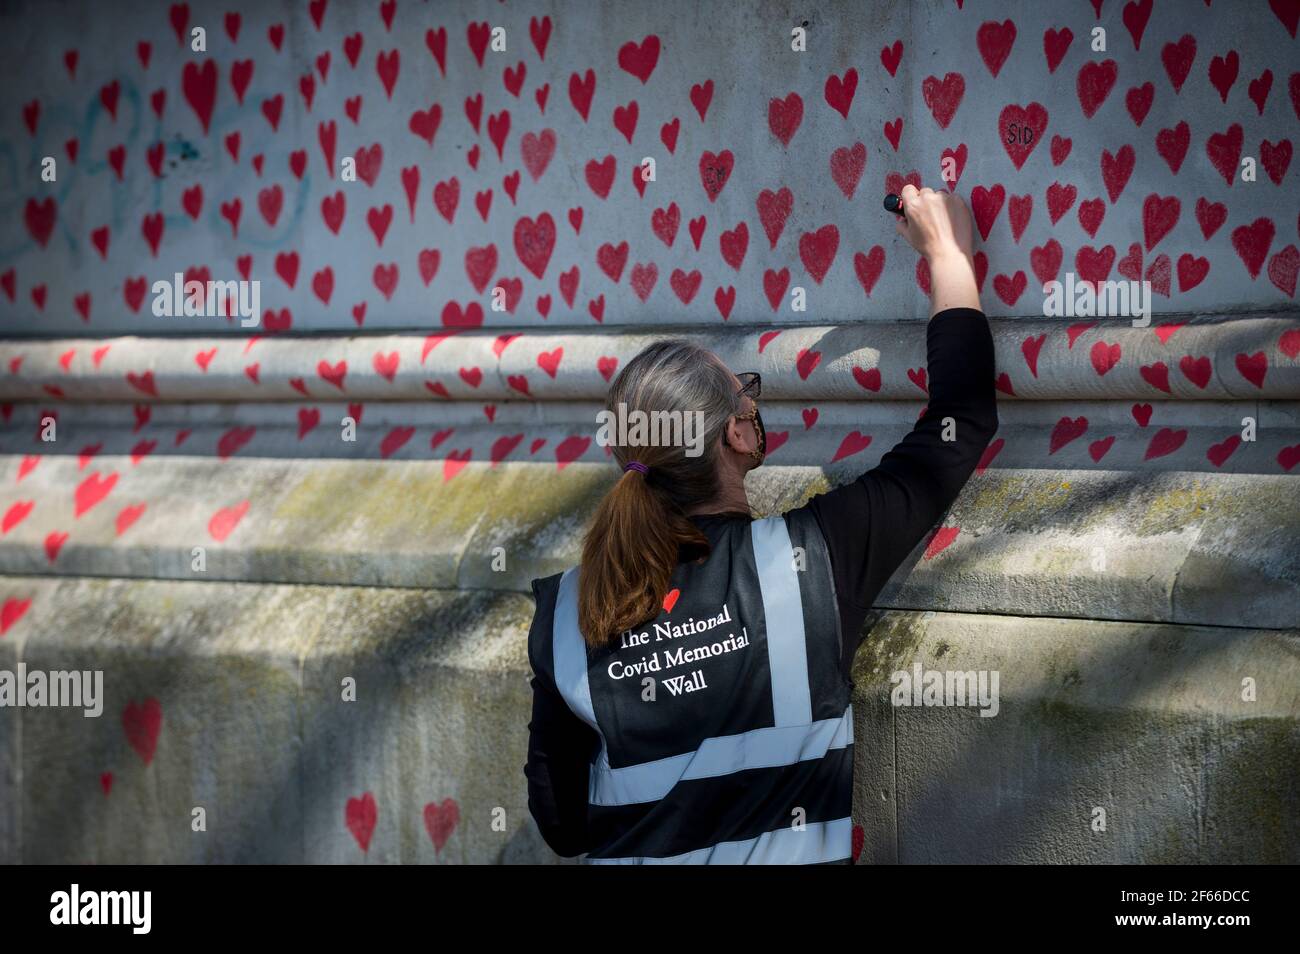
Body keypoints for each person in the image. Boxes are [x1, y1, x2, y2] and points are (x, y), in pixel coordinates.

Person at [524, 185, 998, 864]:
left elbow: (563, 825)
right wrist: (949, 256)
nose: (753, 400)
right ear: (739, 436)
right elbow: (960, 426)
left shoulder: (571, 608)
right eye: (746, 390)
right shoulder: (810, 561)